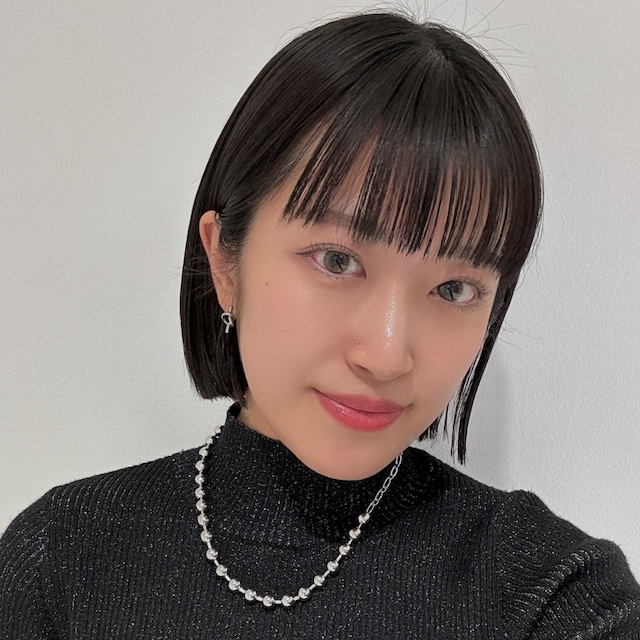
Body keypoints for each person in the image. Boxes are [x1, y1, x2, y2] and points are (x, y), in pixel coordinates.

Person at [1, 10, 639, 639]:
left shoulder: (554, 596)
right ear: (225, 262)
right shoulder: (60, 564)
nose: (386, 355)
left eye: (454, 288)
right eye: (337, 260)